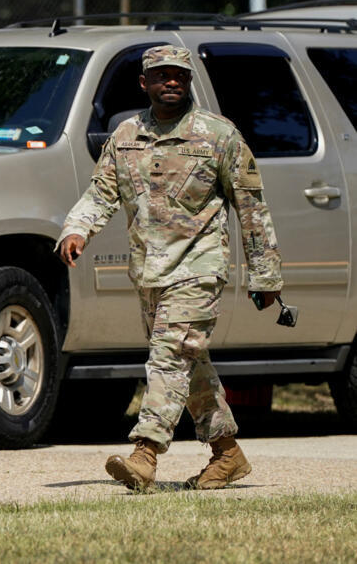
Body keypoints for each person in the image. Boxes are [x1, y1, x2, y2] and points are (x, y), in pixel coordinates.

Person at [56, 45, 283, 491]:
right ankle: (227, 453)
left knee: (168, 358)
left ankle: (145, 453)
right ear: (145, 83)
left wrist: (265, 275)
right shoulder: (125, 136)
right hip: (149, 273)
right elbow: (101, 193)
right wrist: (77, 229)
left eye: (179, 74)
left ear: (189, 80)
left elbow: (251, 208)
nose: (172, 81)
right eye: (161, 75)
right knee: (188, 364)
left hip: (199, 268)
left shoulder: (219, 135)